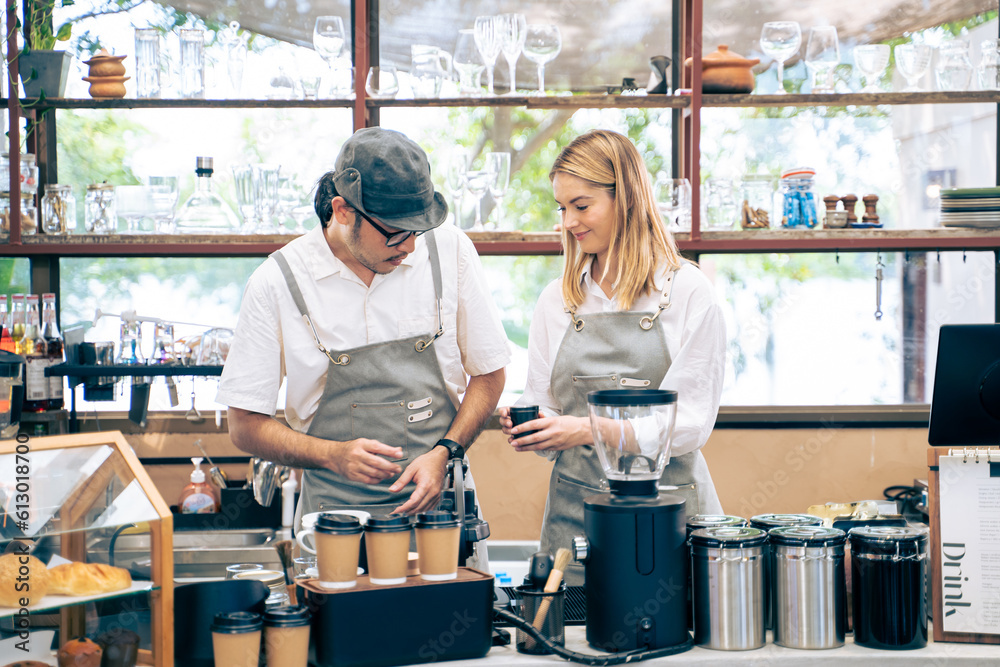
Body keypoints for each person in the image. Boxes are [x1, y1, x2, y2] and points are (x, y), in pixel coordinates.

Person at [219, 128, 510, 541]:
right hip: (333, 527)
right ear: (342, 210)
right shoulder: (277, 282)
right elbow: (244, 425)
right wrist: (332, 455)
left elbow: (489, 374)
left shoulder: (450, 252)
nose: (409, 246)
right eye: (394, 231)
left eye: (418, 229)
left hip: (442, 520)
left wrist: (446, 452)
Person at [500, 129, 725, 585]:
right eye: (562, 208)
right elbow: (543, 399)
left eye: (581, 206)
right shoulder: (557, 300)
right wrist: (535, 426)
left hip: (669, 521)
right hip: (575, 524)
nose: (568, 222)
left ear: (626, 198)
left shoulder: (686, 292)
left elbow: (690, 424)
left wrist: (586, 428)